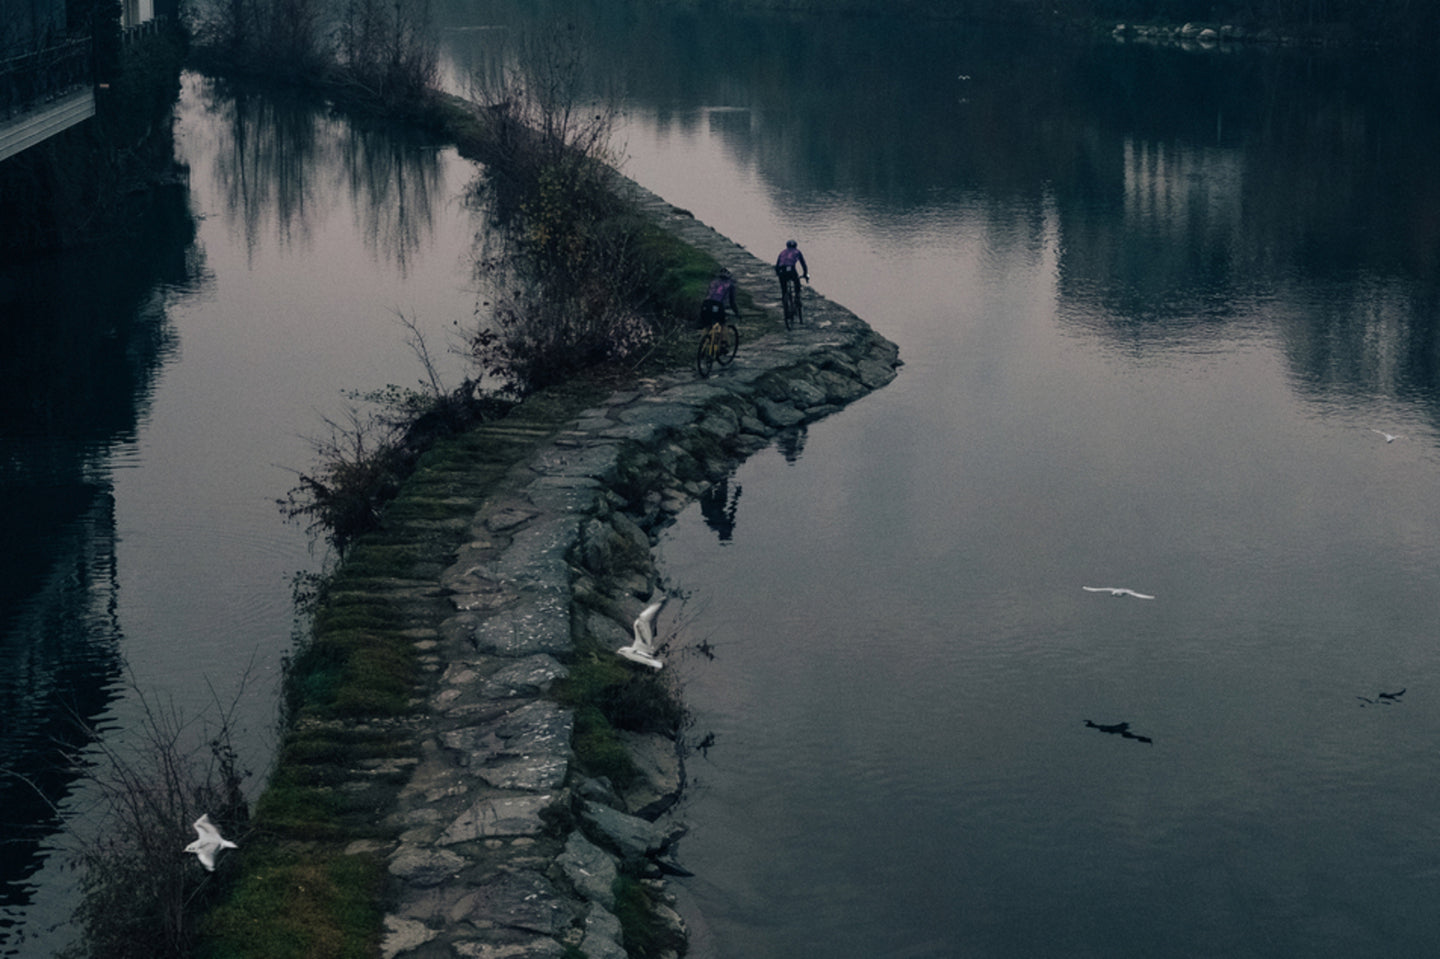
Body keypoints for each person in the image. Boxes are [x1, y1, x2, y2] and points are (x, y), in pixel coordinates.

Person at [774, 240, 809, 319]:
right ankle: (797, 297)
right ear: (796, 246)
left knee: (784, 289)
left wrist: (778, 274)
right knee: (797, 283)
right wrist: (805, 274)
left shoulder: (782, 252)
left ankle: (785, 302)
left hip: (782, 270)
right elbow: (803, 264)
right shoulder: (797, 252)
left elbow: (777, 265)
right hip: (791, 270)